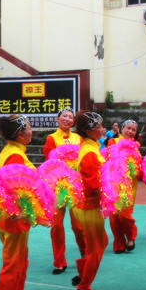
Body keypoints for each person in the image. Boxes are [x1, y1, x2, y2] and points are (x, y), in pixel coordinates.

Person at [0, 114, 35, 290]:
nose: (31, 130)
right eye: (28, 127)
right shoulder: (15, 155)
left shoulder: (13, 151)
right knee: (12, 266)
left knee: (20, 261)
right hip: (14, 217)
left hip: (11, 216)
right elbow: (14, 188)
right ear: (20, 134)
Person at [69, 111, 108, 290]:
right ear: (89, 130)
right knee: (97, 246)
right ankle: (84, 286)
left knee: (100, 242)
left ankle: (82, 273)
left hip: (86, 205)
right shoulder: (90, 152)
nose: (102, 129)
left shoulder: (89, 147)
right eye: (99, 126)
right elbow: (93, 184)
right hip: (90, 206)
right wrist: (111, 190)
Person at [42, 108, 86, 274]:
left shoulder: (78, 138)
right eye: (64, 116)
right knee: (57, 225)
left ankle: (85, 253)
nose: (67, 119)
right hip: (57, 186)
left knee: (78, 225)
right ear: (58, 118)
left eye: (70, 117)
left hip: (74, 185)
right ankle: (59, 261)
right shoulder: (52, 138)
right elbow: (49, 161)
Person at [107, 119, 140, 253]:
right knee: (114, 215)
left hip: (130, 183)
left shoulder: (136, 145)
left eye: (133, 130)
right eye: (128, 128)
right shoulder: (112, 141)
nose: (130, 131)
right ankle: (119, 243)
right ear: (121, 129)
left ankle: (131, 236)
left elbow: (138, 164)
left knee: (125, 215)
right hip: (114, 182)